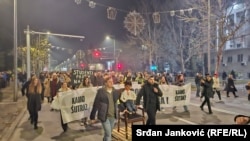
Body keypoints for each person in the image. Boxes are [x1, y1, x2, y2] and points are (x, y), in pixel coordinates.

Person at [90, 76, 120, 141]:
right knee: (109, 135)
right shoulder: (101, 91)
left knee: (108, 133)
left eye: (112, 81)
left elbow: (118, 102)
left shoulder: (115, 91)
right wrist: (92, 117)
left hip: (113, 116)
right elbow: (96, 103)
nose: (111, 83)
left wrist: (122, 109)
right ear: (105, 83)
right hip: (104, 116)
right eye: (109, 82)